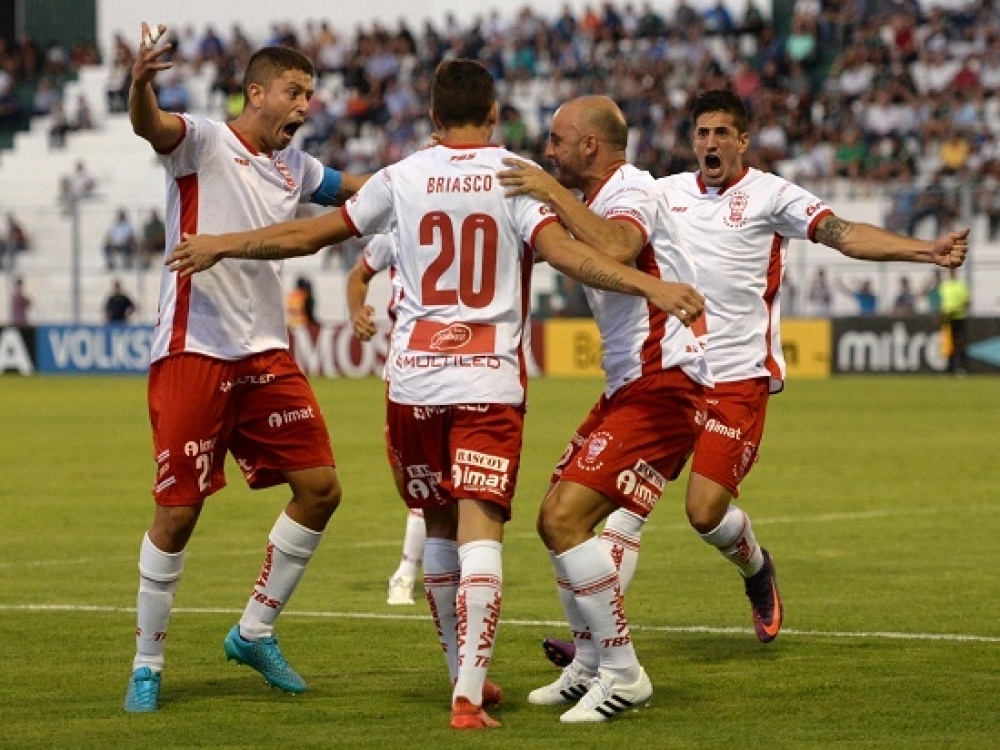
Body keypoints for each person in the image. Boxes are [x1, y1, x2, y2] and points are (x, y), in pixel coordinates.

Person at [166, 59, 705, 730]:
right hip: (488, 381)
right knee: (487, 529)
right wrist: (652, 286)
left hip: (414, 382)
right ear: (494, 114)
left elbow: (308, 234)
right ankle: (472, 694)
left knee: (444, 528)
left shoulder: (403, 174)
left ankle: (487, 674)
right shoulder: (514, 175)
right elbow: (572, 257)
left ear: (431, 117)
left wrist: (225, 244)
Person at [520, 88, 968, 670]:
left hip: (736, 377)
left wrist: (924, 251)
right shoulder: (661, 191)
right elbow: (592, 231)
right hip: (673, 370)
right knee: (626, 508)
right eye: (702, 133)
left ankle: (756, 569)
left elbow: (843, 233)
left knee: (704, 512)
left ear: (743, 141)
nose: (710, 143)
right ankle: (592, 645)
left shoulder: (772, 195)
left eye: (722, 134)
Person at [123, 26, 367, 714]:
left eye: (309, 95)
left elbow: (360, 190)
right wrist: (140, 84)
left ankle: (254, 630)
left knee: (320, 489)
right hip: (193, 348)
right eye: (294, 92)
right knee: (178, 513)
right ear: (256, 93)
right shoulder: (201, 141)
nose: (305, 105)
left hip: (265, 354)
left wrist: (431, 178)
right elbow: (150, 126)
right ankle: (147, 664)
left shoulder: (297, 168)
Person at [497, 95, 712, 724]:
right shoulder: (595, 198)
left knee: (565, 518)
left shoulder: (631, 188)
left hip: (665, 382)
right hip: (630, 384)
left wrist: (547, 191)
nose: (549, 152)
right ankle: (590, 662)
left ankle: (623, 673)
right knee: (553, 518)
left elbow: (618, 245)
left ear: (591, 145)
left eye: (558, 141)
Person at [344, 233, 425, 606]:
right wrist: (356, 311)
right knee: (411, 480)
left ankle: (406, 572)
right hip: (406, 373)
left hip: (462, 368)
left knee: (450, 481)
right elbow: (358, 275)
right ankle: (422, 565)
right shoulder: (396, 229)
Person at [939, 267, 971, 375]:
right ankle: (950, 369)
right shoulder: (945, 286)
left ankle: (963, 367)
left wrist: (955, 310)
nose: (951, 273)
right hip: (948, 319)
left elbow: (966, 302)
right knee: (949, 344)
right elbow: (942, 302)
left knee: (960, 343)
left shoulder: (961, 286)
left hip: (959, 318)